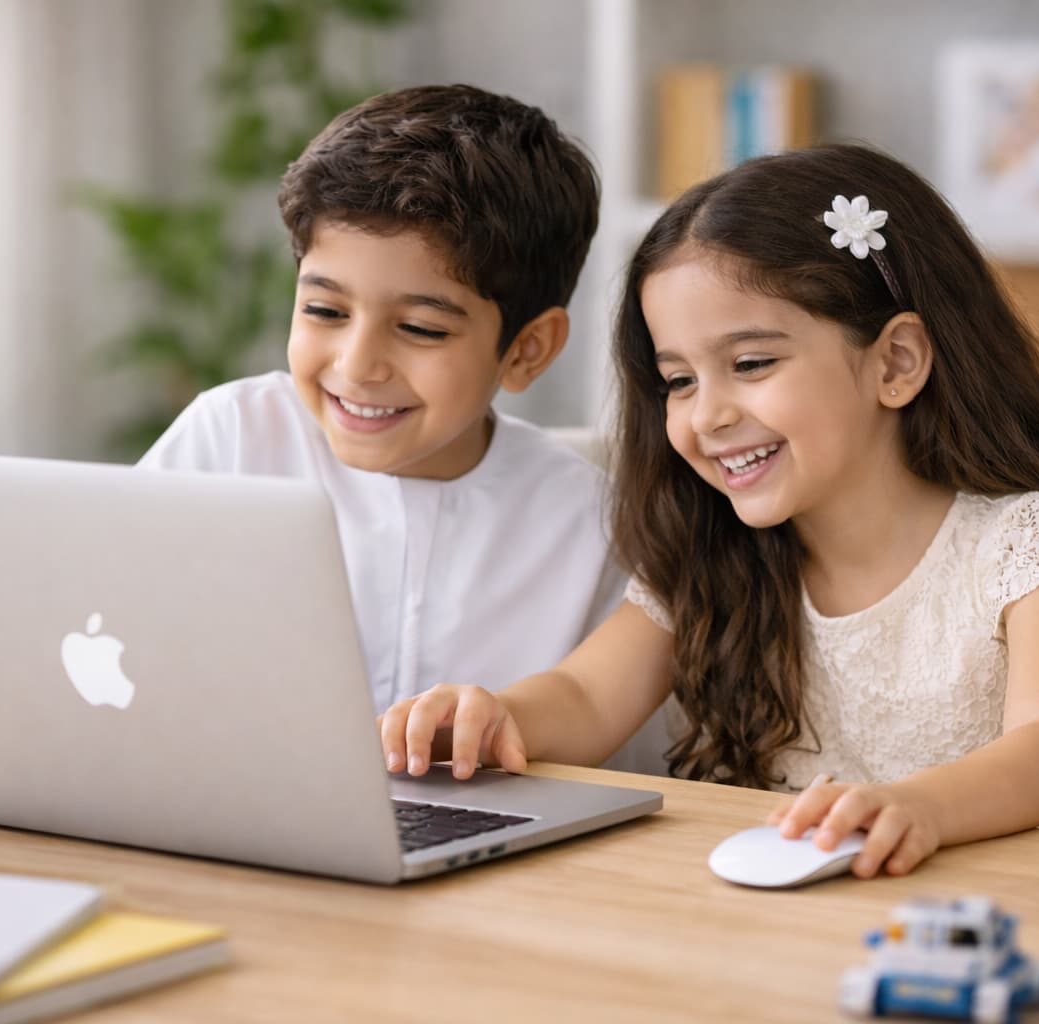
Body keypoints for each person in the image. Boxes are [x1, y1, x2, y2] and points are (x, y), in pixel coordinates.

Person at [381, 144, 1039, 877]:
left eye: (749, 362)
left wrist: (915, 807)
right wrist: (496, 716)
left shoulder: (1032, 544)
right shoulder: (719, 559)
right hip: (862, 895)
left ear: (896, 361)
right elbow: (588, 699)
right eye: (678, 380)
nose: (706, 415)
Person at [141, 84, 668, 772]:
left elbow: (618, 760)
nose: (357, 367)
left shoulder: (590, 525)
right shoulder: (231, 436)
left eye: (420, 328)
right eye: (325, 311)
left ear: (526, 349)